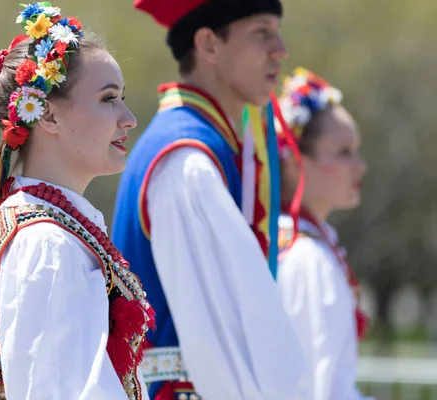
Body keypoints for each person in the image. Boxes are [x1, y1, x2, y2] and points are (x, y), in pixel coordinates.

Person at [0, 3, 154, 400]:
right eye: (109, 98)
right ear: (48, 117)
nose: (128, 118)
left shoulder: (50, 230)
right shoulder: (48, 245)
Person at [112, 0, 312, 398]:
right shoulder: (187, 160)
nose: (281, 49)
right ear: (209, 44)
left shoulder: (206, 147)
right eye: (261, 32)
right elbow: (216, 340)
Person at [275, 67, 370, 400]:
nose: (360, 166)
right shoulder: (307, 259)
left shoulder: (290, 244)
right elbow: (320, 390)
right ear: (294, 161)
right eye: (344, 152)